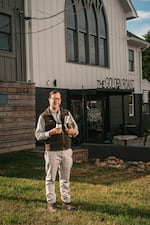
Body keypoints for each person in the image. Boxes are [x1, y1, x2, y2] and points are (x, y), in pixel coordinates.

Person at [35, 90, 79, 212]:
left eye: (58, 99)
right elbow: (38, 135)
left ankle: (66, 201)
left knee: (65, 178)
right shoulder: (43, 116)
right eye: (53, 99)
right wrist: (51, 132)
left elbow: (76, 129)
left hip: (66, 151)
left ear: (60, 100)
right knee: (50, 178)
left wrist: (72, 132)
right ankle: (51, 203)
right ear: (49, 100)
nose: (56, 101)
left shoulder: (66, 113)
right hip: (52, 152)